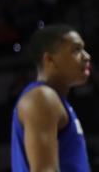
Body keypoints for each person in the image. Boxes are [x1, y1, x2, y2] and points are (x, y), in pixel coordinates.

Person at [11, 24, 92, 171]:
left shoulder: (56, 100)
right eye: (76, 50)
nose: (87, 56)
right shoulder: (42, 97)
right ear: (49, 59)